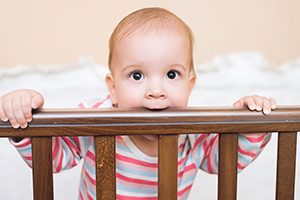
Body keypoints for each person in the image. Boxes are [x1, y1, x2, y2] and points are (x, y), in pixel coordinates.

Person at [0, 7, 277, 200]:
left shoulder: (192, 129)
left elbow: (224, 161)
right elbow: (53, 160)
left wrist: (253, 120)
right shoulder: (95, 119)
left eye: (172, 74)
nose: (156, 91)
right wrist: (25, 115)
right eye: (136, 75)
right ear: (113, 89)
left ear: (190, 86)